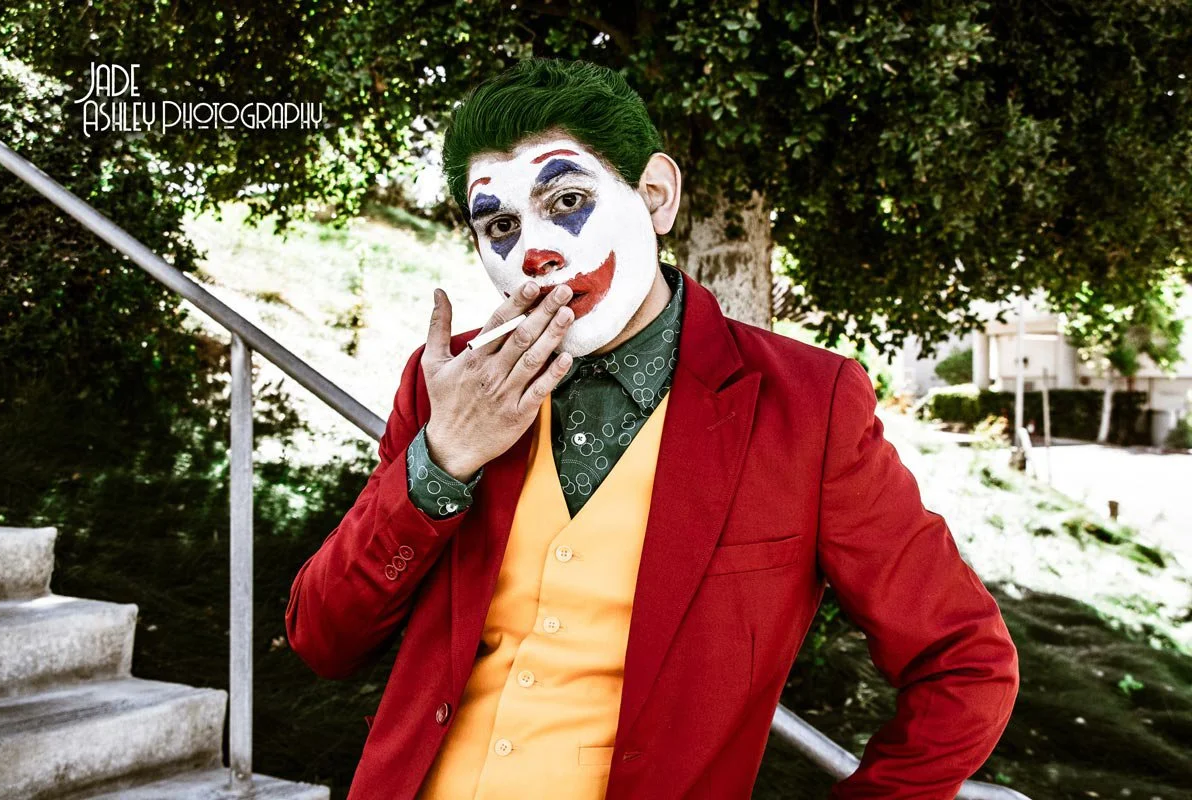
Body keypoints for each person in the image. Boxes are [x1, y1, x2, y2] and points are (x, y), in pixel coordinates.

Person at [285, 57, 1019, 800]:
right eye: (500, 224)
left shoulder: (808, 406)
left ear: (657, 196)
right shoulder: (448, 381)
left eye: (566, 199)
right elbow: (324, 638)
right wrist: (441, 461)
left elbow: (964, 662)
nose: (533, 251)